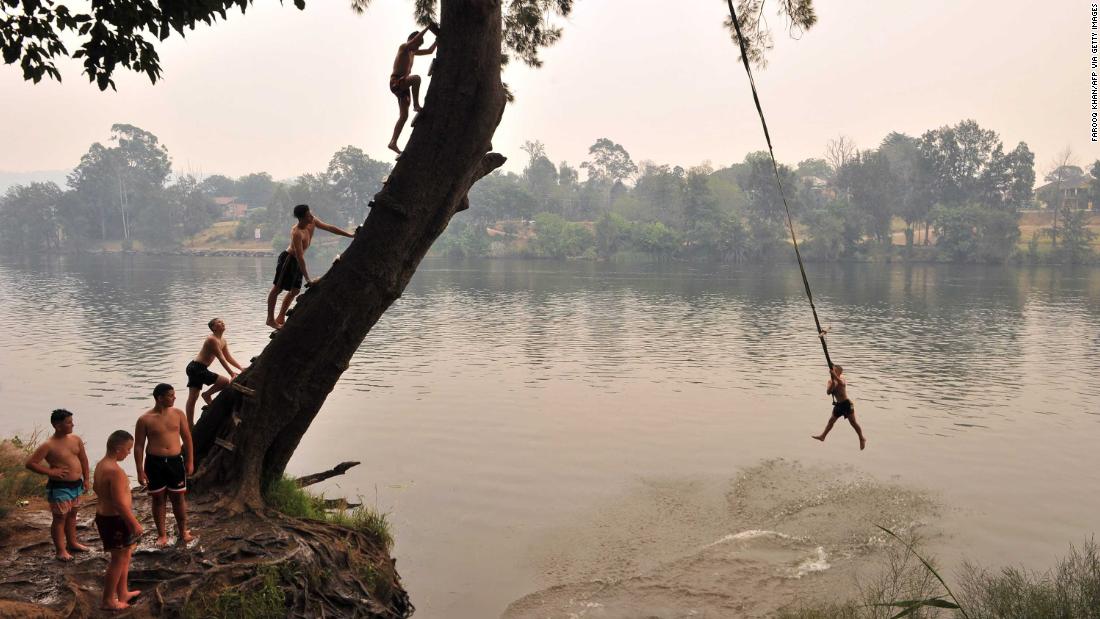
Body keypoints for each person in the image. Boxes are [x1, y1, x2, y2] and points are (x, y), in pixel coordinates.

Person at [266, 204, 355, 329]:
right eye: (309, 215)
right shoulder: (296, 233)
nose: (312, 217)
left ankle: (280, 317)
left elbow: (329, 227)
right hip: (289, 259)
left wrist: (350, 235)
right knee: (277, 289)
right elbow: (300, 257)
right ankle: (270, 319)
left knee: (295, 291)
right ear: (302, 218)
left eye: (311, 214)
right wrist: (308, 278)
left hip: (297, 261)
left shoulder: (312, 222)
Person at [24, 409, 90, 561]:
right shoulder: (49, 445)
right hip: (60, 487)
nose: (72, 424)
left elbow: (84, 460)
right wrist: (50, 472)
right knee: (60, 518)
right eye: (68, 422)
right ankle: (60, 550)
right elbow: (31, 463)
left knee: (73, 515)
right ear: (57, 425)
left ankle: (72, 543)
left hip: (76, 485)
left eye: (71, 421)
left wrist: (86, 479)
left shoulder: (75, 439)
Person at [135, 383, 194, 546]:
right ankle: (162, 535)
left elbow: (187, 438)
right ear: (159, 398)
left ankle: (183, 531)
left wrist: (190, 461)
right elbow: (139, 445)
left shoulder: (178, 414)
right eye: (170, 395)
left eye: (174, 395)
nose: (174, 398)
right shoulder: (144, 419)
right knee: (158, 499)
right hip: (155, 462)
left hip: (175, 461)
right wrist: (140, 470)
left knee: (178, 498)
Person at [93, 430, 143, 611]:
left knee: (126, 554)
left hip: (107, 517)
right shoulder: (115, 471)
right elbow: (120, 504)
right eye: (128, 449)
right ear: (118, 448)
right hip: (115, 520)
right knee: (118, 559)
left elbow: (95, 488)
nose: (129, 453)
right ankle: (108, 600)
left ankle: (123, 593)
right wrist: (134, 523)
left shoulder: (101, 465)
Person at [387, 24, 438, 156]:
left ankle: (393, 142)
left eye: (419, 45)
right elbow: (416, 40)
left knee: (404, 116)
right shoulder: (403, 47)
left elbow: (429, 51)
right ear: (412, 40)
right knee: (416, 79)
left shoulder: (413, 52)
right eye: (417, 44)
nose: (417, 47)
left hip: (403, 86)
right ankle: (416, 105)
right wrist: (428, 27)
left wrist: (438, 40)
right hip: (397, 82)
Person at [184, 317, 245, 426]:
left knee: (193, 397)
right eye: (218, 322)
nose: (222, 323)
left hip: (198, 368)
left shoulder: (223, 340)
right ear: (213, 328)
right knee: (224, 382)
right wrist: (231, 373)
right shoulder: (211, 340)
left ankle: (190, 423)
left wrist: (240, 368)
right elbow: (221, 358)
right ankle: (206, 397)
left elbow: (228, 357)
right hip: (196, 368)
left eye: (222, 321)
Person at [811, 359, 867, 450]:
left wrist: (835, 377)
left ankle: (861, 438)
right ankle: (823, 436)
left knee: (853, 422)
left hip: (847, 404)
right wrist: (833, 382)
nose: (834, 372)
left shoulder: (842, 379)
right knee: (831, 421)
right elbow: (828, 392)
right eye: (833, 371)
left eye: (836, 371)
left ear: (839, 372)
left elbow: (841, 383)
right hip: (838, 405)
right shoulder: (830, 382)